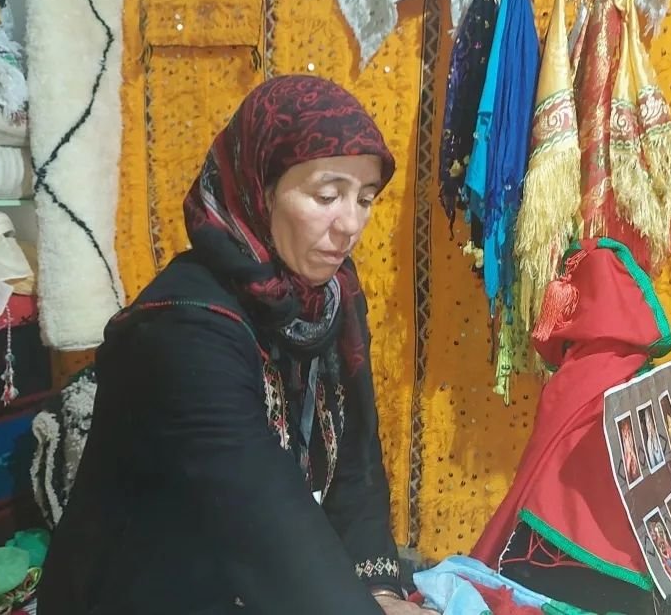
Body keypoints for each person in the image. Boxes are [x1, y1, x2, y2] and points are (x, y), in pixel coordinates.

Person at [38, 76, 432, 614]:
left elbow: (358, 464)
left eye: (364, 199)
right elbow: (259, 514)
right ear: (261, 187)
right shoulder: (184, 328)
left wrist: (382, 592)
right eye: (326, 195)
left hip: (264, 572)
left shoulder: (333, 298)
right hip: (152, 588)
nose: (351, 225)